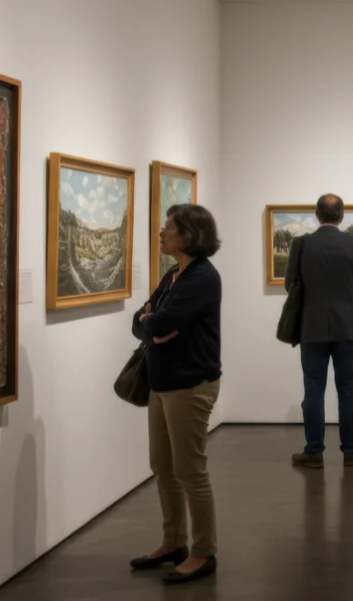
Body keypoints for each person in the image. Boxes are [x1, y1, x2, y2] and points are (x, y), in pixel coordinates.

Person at [128, 203, 224, 584]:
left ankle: (203, 551)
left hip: (190, 386)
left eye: (168, 226)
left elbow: (160, 320)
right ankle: (173, 542)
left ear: (189, 234)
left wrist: (153, 322)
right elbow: (140, 321)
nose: (161, 232)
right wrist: (150, 324)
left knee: (190, 470)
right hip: (161, 383)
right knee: (163, 467)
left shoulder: (202, 277)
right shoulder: (173, 274)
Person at [286, 193, 353, 469]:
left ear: (317, 215)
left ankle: (313, 452)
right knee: (348, 389)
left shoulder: (301, 245)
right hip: (348, 326)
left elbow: (290, 284)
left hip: (311, 327)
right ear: (342, 216)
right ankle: (351, 450)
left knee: (313, 389)